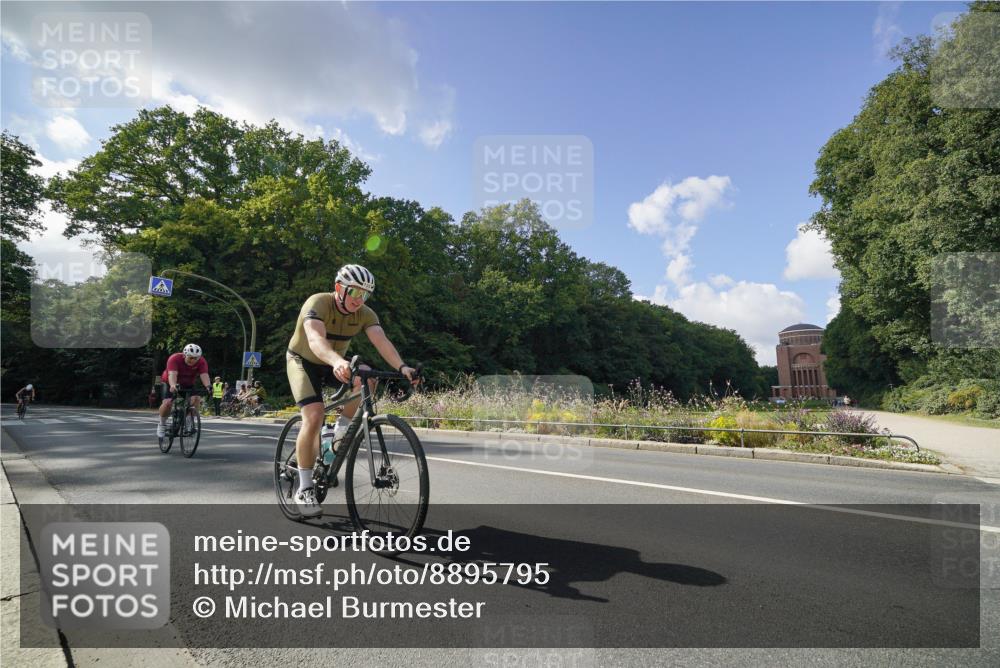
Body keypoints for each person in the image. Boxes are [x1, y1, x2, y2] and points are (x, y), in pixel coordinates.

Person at [285, 264, 418, 517]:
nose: (359, 300)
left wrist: (402, 367)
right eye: (355, 293)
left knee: (367, 378)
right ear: (339, 288)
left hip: (337, 363)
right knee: (314, 416)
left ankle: (339, 435)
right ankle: (304, 488)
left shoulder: (365, 314)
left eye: (364, 295)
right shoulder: (318, 303)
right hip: (305, 361)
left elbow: (382, 341)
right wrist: (336, 361)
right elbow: (315, 340)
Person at [157, 343, 211, 438]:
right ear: (184, 355)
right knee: (167, 403)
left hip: (188, 383)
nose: (193, 360)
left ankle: (189, 423)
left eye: (196, 358)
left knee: (196, 399)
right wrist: (173, 385)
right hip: (169, 382)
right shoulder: (174, 358)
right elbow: (172, 374)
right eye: (190, 358)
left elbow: (204, 375)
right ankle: (162, 424)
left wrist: (208, 386)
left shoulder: (201, 361)